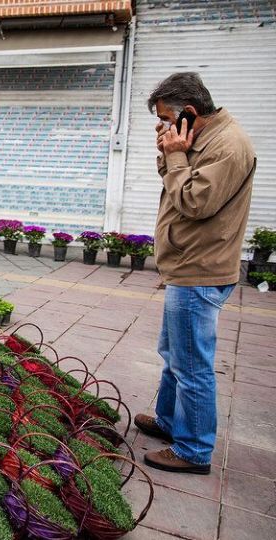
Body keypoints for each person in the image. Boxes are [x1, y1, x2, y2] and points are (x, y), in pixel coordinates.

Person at [134, 72, 256, 475]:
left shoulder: (227, 146)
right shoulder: (201, 138)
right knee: (174, 355)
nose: (164, 127)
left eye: (167, 119)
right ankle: (170, 421)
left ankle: (193, 449)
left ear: (189, 112)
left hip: (200, 270)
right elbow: (177, 183)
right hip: (188, 265)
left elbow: (193, 202)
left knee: (192, 365)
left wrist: (174, 156)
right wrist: (168, 152)